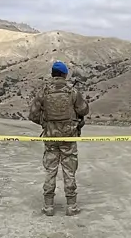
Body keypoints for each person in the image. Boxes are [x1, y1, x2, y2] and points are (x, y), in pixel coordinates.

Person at [29, 61, 89, 217]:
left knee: (50, 170)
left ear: (52, 74)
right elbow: (84, 110)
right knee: (69, 171)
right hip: (68, 138)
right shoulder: (72, 92)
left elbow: (33, 115)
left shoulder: (43, 92)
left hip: (50, 138)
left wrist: (46, 124)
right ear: (64, 75)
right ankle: (71, 206)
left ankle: (48, 206)